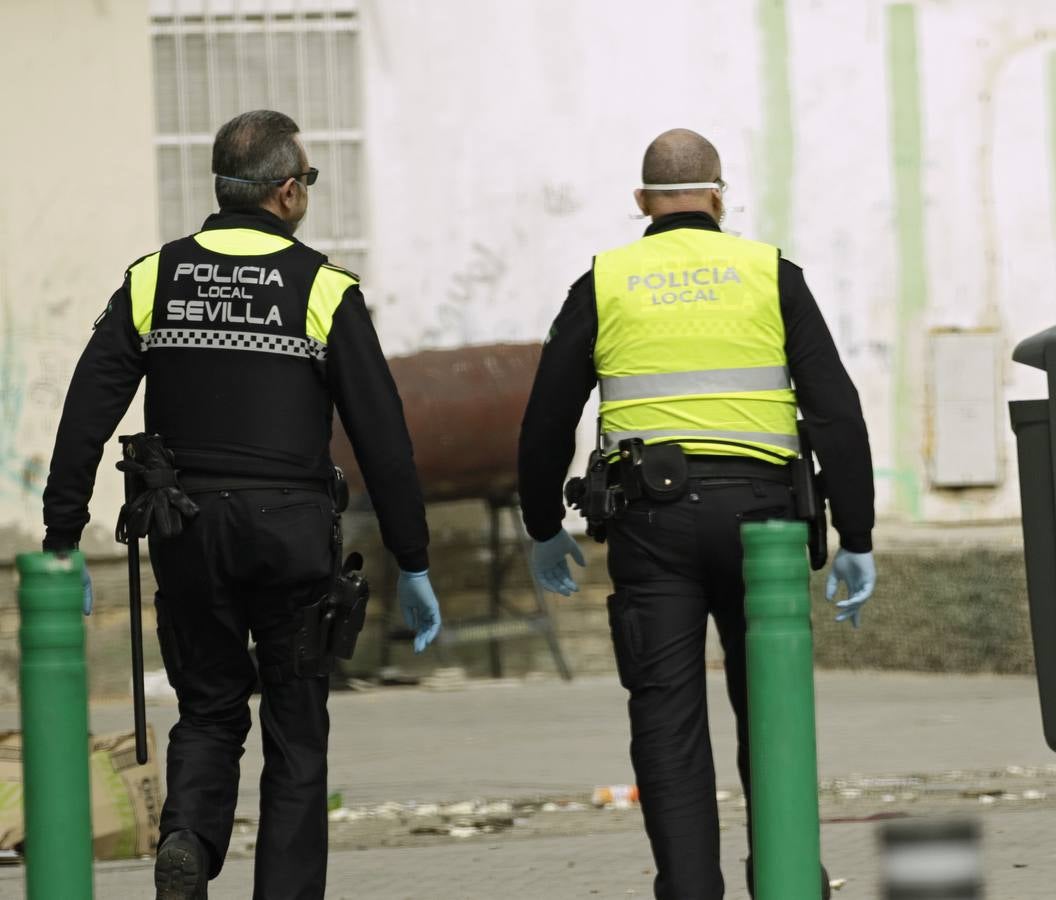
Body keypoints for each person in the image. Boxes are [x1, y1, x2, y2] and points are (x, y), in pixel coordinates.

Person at [40, 109, 442, 900]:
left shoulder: (154, 277)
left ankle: (187, 837)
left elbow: (87, 407)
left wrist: (62, 533)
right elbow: (384, 438)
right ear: (287, 193)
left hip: (186, 531)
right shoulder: (323, 287)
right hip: (291, 536)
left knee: (209, 705)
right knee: (296, 723)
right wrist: (416, 557)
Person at [518, 128, 878, 899]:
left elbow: (547, 414)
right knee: (772, 707)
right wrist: (859, 533)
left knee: (666, 720)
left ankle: (688, 889)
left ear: (642, 203)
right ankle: (787, 878)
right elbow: (836, 410)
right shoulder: (769, 272)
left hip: (653, 527)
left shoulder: (605, 280)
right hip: (767, 525)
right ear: (720, 195)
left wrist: (543, 523)